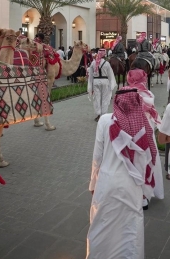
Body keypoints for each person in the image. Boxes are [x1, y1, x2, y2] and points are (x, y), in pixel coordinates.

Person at [87, 87, 158, 258]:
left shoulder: (104, 121)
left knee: (102, 225)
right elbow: (151, 159)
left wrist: (93, 183)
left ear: (116, 102)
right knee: (130, 229)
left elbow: (97, 158)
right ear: (137, 101)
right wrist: (146, 190)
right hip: (132, 186)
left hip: (107, 183)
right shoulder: (144, 124)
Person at [126, 68, 164, 209]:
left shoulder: (125, 93)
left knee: (134, 161)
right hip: (146, 133)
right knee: (148, 160)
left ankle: (135, 194)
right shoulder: (148, 94)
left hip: (131, 133)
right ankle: (145, 196)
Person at [87, 49, 117, 122]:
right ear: (104, 54)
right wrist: (111, 84)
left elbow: (90, 76)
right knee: (104, 98)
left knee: (97, 98)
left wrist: (90, 86)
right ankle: (103, 115)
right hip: (105, 82)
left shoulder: (93, 63)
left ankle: (98, 115)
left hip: (96, 82)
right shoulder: (107, 63)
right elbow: (110, 75)